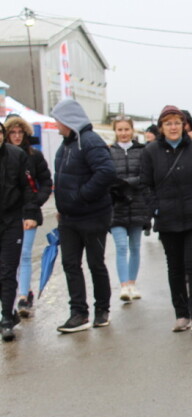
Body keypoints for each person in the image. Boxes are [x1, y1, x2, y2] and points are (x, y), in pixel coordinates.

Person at [141, 105, 192, 332]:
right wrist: (156, 208)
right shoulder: (151, 151)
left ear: (184, 125)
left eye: (177, 123)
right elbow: (145, 184)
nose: (173, 127)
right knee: (175, 268)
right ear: (161, 127)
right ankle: (181, 315)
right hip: (168, 218)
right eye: (168, 123)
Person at [49, 98, 117, 333]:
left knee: (95, 264)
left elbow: (106, 171)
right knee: (70, 264)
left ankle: (102, 310)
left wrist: (82, 196)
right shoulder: (65, 144)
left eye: (58, 119)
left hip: (93, 216)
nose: (56, 124)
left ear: (68, 119)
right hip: (68, 219)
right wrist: (63, 205)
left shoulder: (90, 141)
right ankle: (78, 313)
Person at [4, 115, 53, 319]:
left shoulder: (34, 156)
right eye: (12, 132)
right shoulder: (5, 156)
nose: (16, 136)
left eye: (20, 132)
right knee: (8, 261)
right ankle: (10, 299)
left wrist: (35, 202)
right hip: (8, 214)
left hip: (28, 212)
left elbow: (46, 182)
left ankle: (24, 295)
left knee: (24, 254)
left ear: (25, 134)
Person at [0, 123, 38, 342]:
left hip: (11, 220)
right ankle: (10, 312)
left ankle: (6, 319)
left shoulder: (16, 156)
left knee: (8, 270)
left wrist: (30, 214)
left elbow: (29, 187)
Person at [108, 116, 149, 302]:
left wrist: (127, 183)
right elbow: (106, 176)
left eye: (126, 129)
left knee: (135, 246)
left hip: (137, 204)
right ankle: (123, 285)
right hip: (117, 206)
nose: (123, 133)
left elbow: (145, 176)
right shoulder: (109, 152)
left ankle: (132, 282)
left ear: (132, 131)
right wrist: (118, 187)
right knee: (121, 246)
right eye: (120, 130)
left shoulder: (142, 151)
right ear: (115, 131)